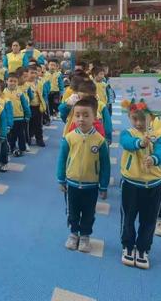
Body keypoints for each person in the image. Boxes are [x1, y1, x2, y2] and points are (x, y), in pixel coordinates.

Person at [56, 97, 110, 253]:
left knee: (88, 212)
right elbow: (62, 160)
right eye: (77, 115)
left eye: (86, 115)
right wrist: (61, 179)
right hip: (72, 183)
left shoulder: (100, 141)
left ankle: (85, 236)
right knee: (72, 211)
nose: (81, 119)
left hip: (91, 185)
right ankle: (73, 234)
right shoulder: (69, 138)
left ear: (95, 117)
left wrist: (103, 185)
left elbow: (105, 165)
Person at [119, 103, 161, 269]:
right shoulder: (127, 133)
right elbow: (127, 143)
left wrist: (154, 159)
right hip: (131, 183)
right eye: (134, 119)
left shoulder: (158, 135)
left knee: (149, 219)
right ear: (129, 118)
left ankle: (143, 249)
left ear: (152, 117)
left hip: (154, 184)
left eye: (142, 119)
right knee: (128, 217)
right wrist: (140, 143)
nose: (138, 123)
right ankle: (128, 246)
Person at [4, 72, 30, 156]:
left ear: (17, 82)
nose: (12, 83)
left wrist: (27, 115)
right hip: (8, 119)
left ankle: (22, 148)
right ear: (6, 81)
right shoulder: (3, 93)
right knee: (11, 135)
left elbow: (25, 104)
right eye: (10, 81)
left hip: (19, 118)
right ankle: (12, 148)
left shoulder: (20, 93)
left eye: (15, 81)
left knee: (21, 134)